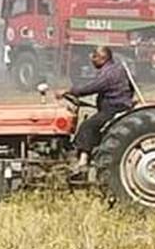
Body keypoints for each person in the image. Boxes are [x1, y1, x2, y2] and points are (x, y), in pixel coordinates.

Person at [56, 46, 135, 174]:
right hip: (117, 105)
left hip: (113, 108)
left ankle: (82, 162)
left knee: (87, 126)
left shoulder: (109, 73)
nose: (92, 60)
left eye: (94, 57)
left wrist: (69, 91)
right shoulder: (116, 69)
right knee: (91, 123)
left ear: (103, 58)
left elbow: (92, 87)